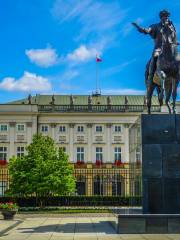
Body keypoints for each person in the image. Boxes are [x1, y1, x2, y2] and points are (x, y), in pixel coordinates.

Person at [132, 10, 178, 87]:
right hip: (158, 49)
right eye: (164, 17)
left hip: (171, 50)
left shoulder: (171, 27)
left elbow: (174, 38)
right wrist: (140, 28)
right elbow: (147, 30)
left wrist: (175, 42)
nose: (166, 18)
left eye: (167, 17)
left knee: (178, 59)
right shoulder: (155, 26)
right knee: (154, 59)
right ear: (161, 18)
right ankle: (150, 79)